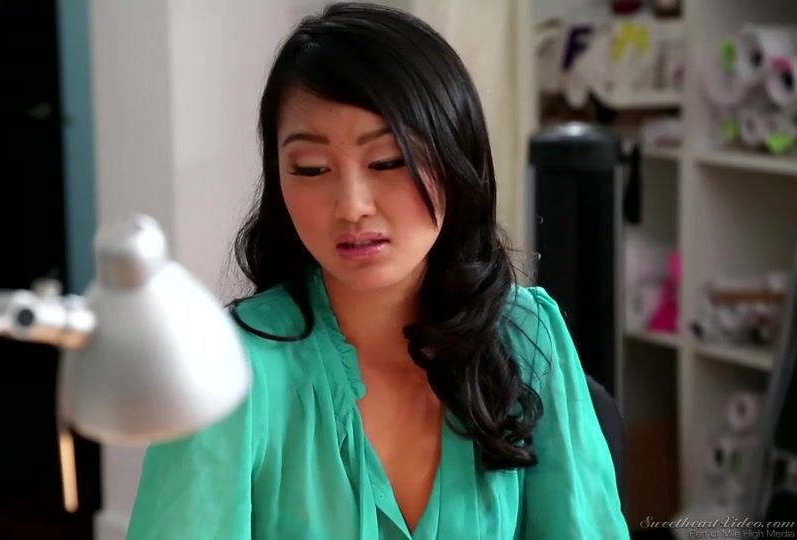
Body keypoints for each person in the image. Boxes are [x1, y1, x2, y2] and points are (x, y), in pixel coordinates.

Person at [128, 3, 628, 539]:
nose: (351, 206)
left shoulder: (527, 336)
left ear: (457, 159)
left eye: (388, 162)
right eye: (311, 169)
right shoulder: (223, 372)